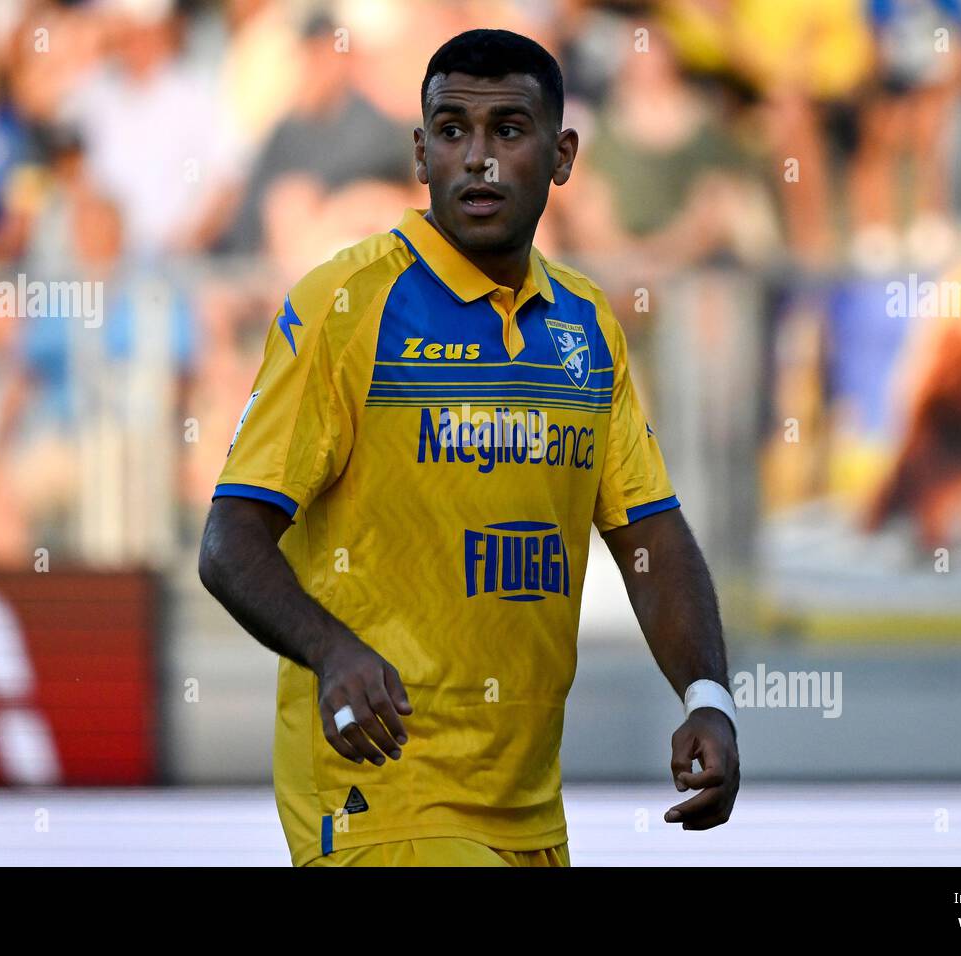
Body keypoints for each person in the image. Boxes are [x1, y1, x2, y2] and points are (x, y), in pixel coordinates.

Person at [198, 29, 739, 868]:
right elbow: (230, 540)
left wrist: (708, 696)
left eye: (508, 132)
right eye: (452, 132)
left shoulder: (586, 325)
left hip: (528, 809)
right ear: (420, 153)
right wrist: (332, 647)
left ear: (562, 157)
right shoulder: (347, 307)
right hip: (380, 797)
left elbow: (651, 537)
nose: (477, 159)